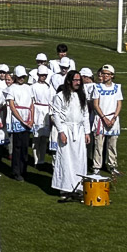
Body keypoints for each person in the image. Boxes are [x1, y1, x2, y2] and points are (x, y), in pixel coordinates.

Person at [50, 70, 90, 200]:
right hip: (66, 130)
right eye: (75, 80)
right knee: (65, 160)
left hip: (78, 131)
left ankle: (78, 187)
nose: (78, 83)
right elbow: (55, 114)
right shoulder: (60, 96)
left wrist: (87, 132)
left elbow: (85, 114)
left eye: (79, 80)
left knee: (79, 159)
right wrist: (61, 131)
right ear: (69, 81)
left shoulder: (82, 95)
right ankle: (65, 188)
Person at [89, 65, 124, 176]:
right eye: (103, 73)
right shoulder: (97, 87)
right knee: (99, 145)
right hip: (101, 119)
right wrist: (104, 118)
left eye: (107, 74)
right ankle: (96, 167)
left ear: (112, 76)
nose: (104, 76)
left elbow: (119, 104)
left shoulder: (117, 88)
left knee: (112, 144)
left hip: (113, 120)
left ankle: (113, 165)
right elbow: (96, 104)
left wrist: (113, 118)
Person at [5, 66, 34, 182]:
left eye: (23, 77)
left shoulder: (28, 88)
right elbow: (12, 106)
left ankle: (23, 169)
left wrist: (31, 119)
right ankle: (16, 171)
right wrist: (21, 119)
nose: (22, 79)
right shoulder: (12, 88)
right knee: (17, 146)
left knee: (25, 146)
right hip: (18, 118)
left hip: (27, 116)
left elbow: (32, 104)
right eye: (20, 77)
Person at [30, 64, 54, 168]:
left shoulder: (49, 87)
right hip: (37, 111)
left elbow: (52, 101)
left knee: (44, 139)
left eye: (45, 75)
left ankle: (42, 160)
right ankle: (35, 159)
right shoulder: (33, 87)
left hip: (46, 112)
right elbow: (31, 101)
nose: (43, 77)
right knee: (36, 139)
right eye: (41, 75)